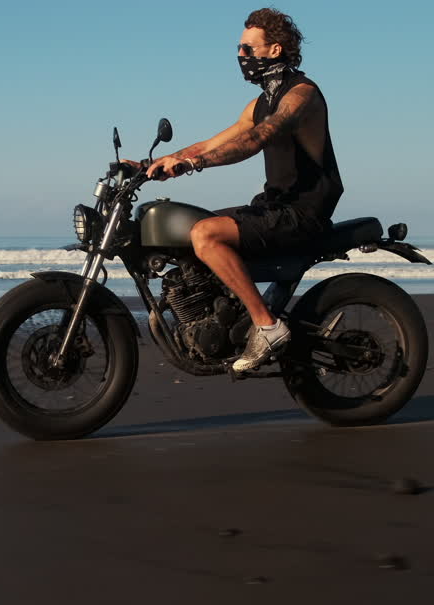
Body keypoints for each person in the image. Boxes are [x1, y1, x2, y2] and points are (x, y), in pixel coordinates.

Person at [146, 8, 344, 373]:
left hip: (302, 210)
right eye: (239, 49)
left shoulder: (301, 95)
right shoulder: (260, 103)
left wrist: (193, 164)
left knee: (205, 234)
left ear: (275, 50)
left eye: (248, 49)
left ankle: (268, 327)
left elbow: (257, 138)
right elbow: (210, 144)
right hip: (273, 205)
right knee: (192, 231)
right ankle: (223, 318)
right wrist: (152, 164)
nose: (241, 56)